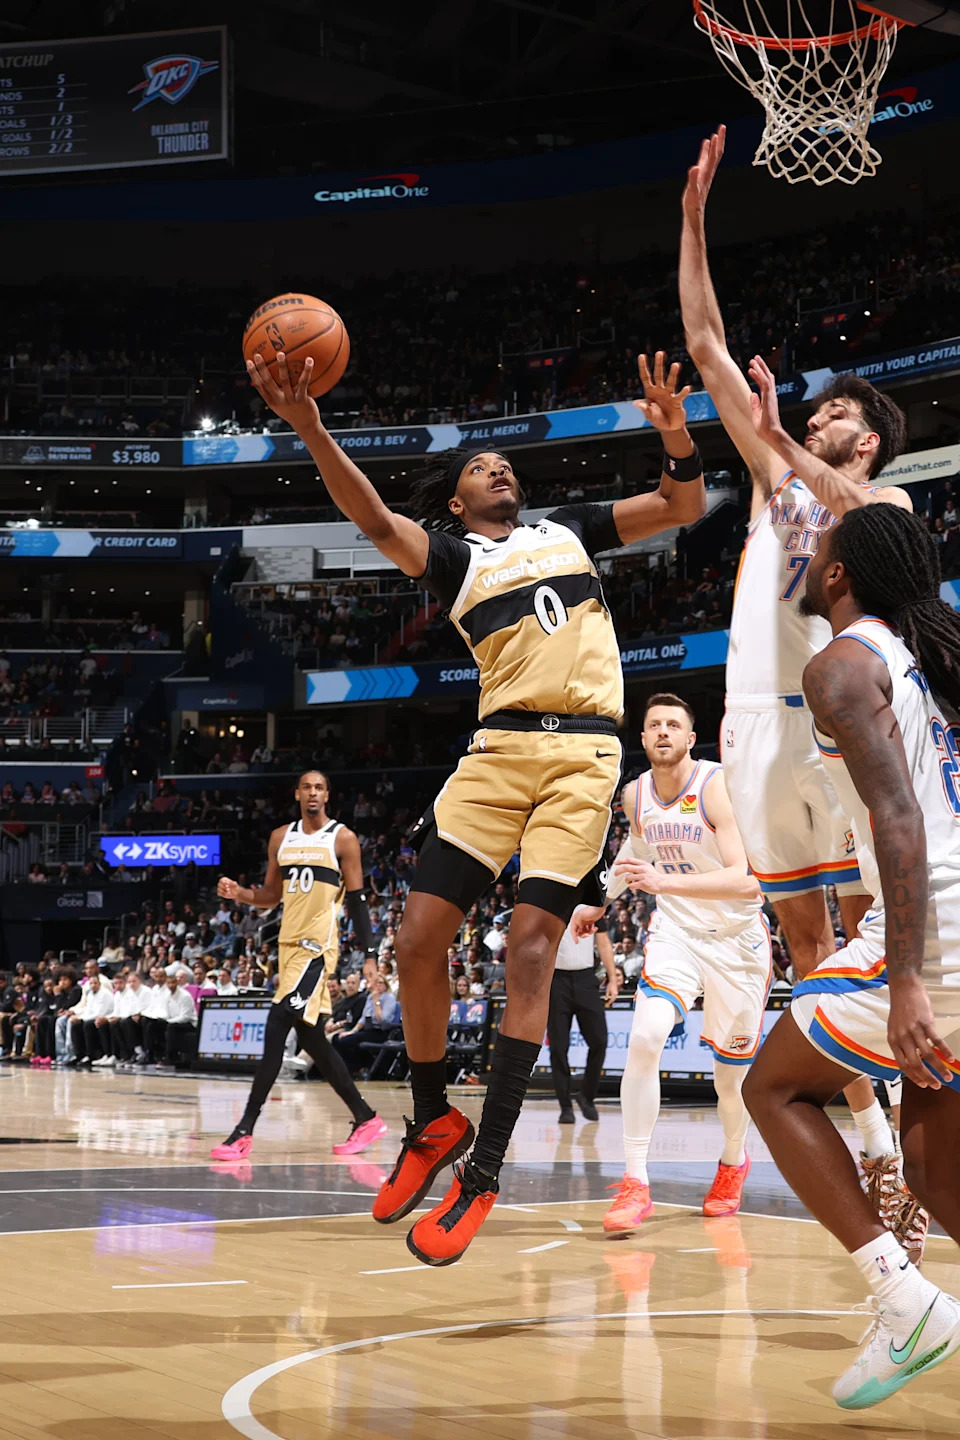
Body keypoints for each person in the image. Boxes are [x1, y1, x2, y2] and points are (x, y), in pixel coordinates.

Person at [246, 344, 705, 1266]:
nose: (497, 469)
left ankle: (485, 1172)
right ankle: (431, 1123)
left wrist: (676, 437)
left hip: (582, 755)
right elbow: (373, 518)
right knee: (417, 940)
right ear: (455, 504)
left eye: (502, 464)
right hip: (497, 754)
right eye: (477, 468)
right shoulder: (456, 560)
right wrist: (310, 427)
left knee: (532, 948)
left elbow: (682, 505)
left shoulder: (569, 529)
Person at [679, 125, 915, 1191]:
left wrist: (783, 443)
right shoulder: (774, 468)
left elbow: (854, 511)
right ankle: (878, 1148)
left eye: (834, 413)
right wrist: (694, 222)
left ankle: (914, 1123)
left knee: (879, 935)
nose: (813, 415)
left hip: (844, 726)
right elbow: (707, 344)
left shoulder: (886, 498)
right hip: (756, 725)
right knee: (809, 946)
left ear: (865, 440)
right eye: (811, 412)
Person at [743, 505, 960, 1409]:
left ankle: (903, 1302)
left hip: (937, 930)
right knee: (933, 1164)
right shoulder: (925, 661)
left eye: (821, 547)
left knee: (773, 1088)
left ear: (839, 575)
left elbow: (902, 820)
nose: (808, 552)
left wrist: (904, 979)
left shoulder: (840, 665)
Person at [576, 693, 770, 1230]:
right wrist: (601, 901)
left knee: (731, 1082)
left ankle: (733, 1160)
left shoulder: (716, 786)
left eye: (673, 725)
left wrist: (664, 883)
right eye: (654, 724)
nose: (663, 731)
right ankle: (635, 1182)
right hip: (677, 933)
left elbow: (748, 879)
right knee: (644, 1038)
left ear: (691, 738)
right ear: (642, 738)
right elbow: (634, 853)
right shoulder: (635, 793)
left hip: (736, 941)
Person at [211, 772, 386, 1161]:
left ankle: (243, 1131)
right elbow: (270, 895)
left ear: (327, 795)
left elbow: (357, 901)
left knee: (276, 1026)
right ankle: (366, 1118)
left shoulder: (342, 838)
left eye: (319, 788)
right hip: (288, 950)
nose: (312, 793)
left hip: (317, 949)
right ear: (297, 794)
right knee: (312, 1039)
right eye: (306, 787)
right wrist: (239, 893)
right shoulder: (281, 837)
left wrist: (370, 955)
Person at [547, 907, 619, 1124]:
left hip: (586, 979)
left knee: (599, 1041)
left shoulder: (592, 906)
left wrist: (613, 979)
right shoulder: (552, 902)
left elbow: (603, 942)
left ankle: (586, 1096)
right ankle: (565, 1106)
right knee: (558, 1047)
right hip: (556, 980)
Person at [332, 974, 399, 1074]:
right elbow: (363, 1019)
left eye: (380, 983)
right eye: (376, 983)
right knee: (337, 1038)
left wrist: (376, 1002)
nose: (378, 985)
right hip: (368, 1030)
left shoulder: (389, 998)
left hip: (381, 1031)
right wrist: (352, 1032)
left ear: (386, 985)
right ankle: (357, 1067)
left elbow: (383, 1020)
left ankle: (356, 1069)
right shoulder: (370, 997)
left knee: (346, 1041)